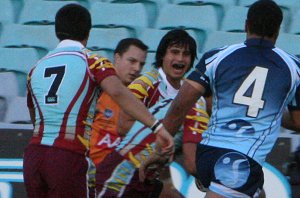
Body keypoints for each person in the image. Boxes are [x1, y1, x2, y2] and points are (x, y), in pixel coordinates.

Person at [145, 0, 300, 197]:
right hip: (239, 161)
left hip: (207, 155)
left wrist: (160, 150)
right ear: (278, 30)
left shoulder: (216, 56)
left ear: (246, 25)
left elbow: (180, 105)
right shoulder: (293, 67)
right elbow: (297, 120)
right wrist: (271, 111)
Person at [23, 4, 173, 198]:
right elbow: (118, 92)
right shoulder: (92, 61)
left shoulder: (36, 67)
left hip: (34, 156)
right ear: (88, 31)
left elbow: (34, 116)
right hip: (67, 155)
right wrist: (157, 127)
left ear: (57, 31)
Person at [95, 29, 210, 197]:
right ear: (162, 55)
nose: (180, 58)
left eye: (186, 54)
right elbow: (123, 126)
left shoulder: (192, 95)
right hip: (123, 167)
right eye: (174, 52)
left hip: (150, 172)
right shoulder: (146, 83)